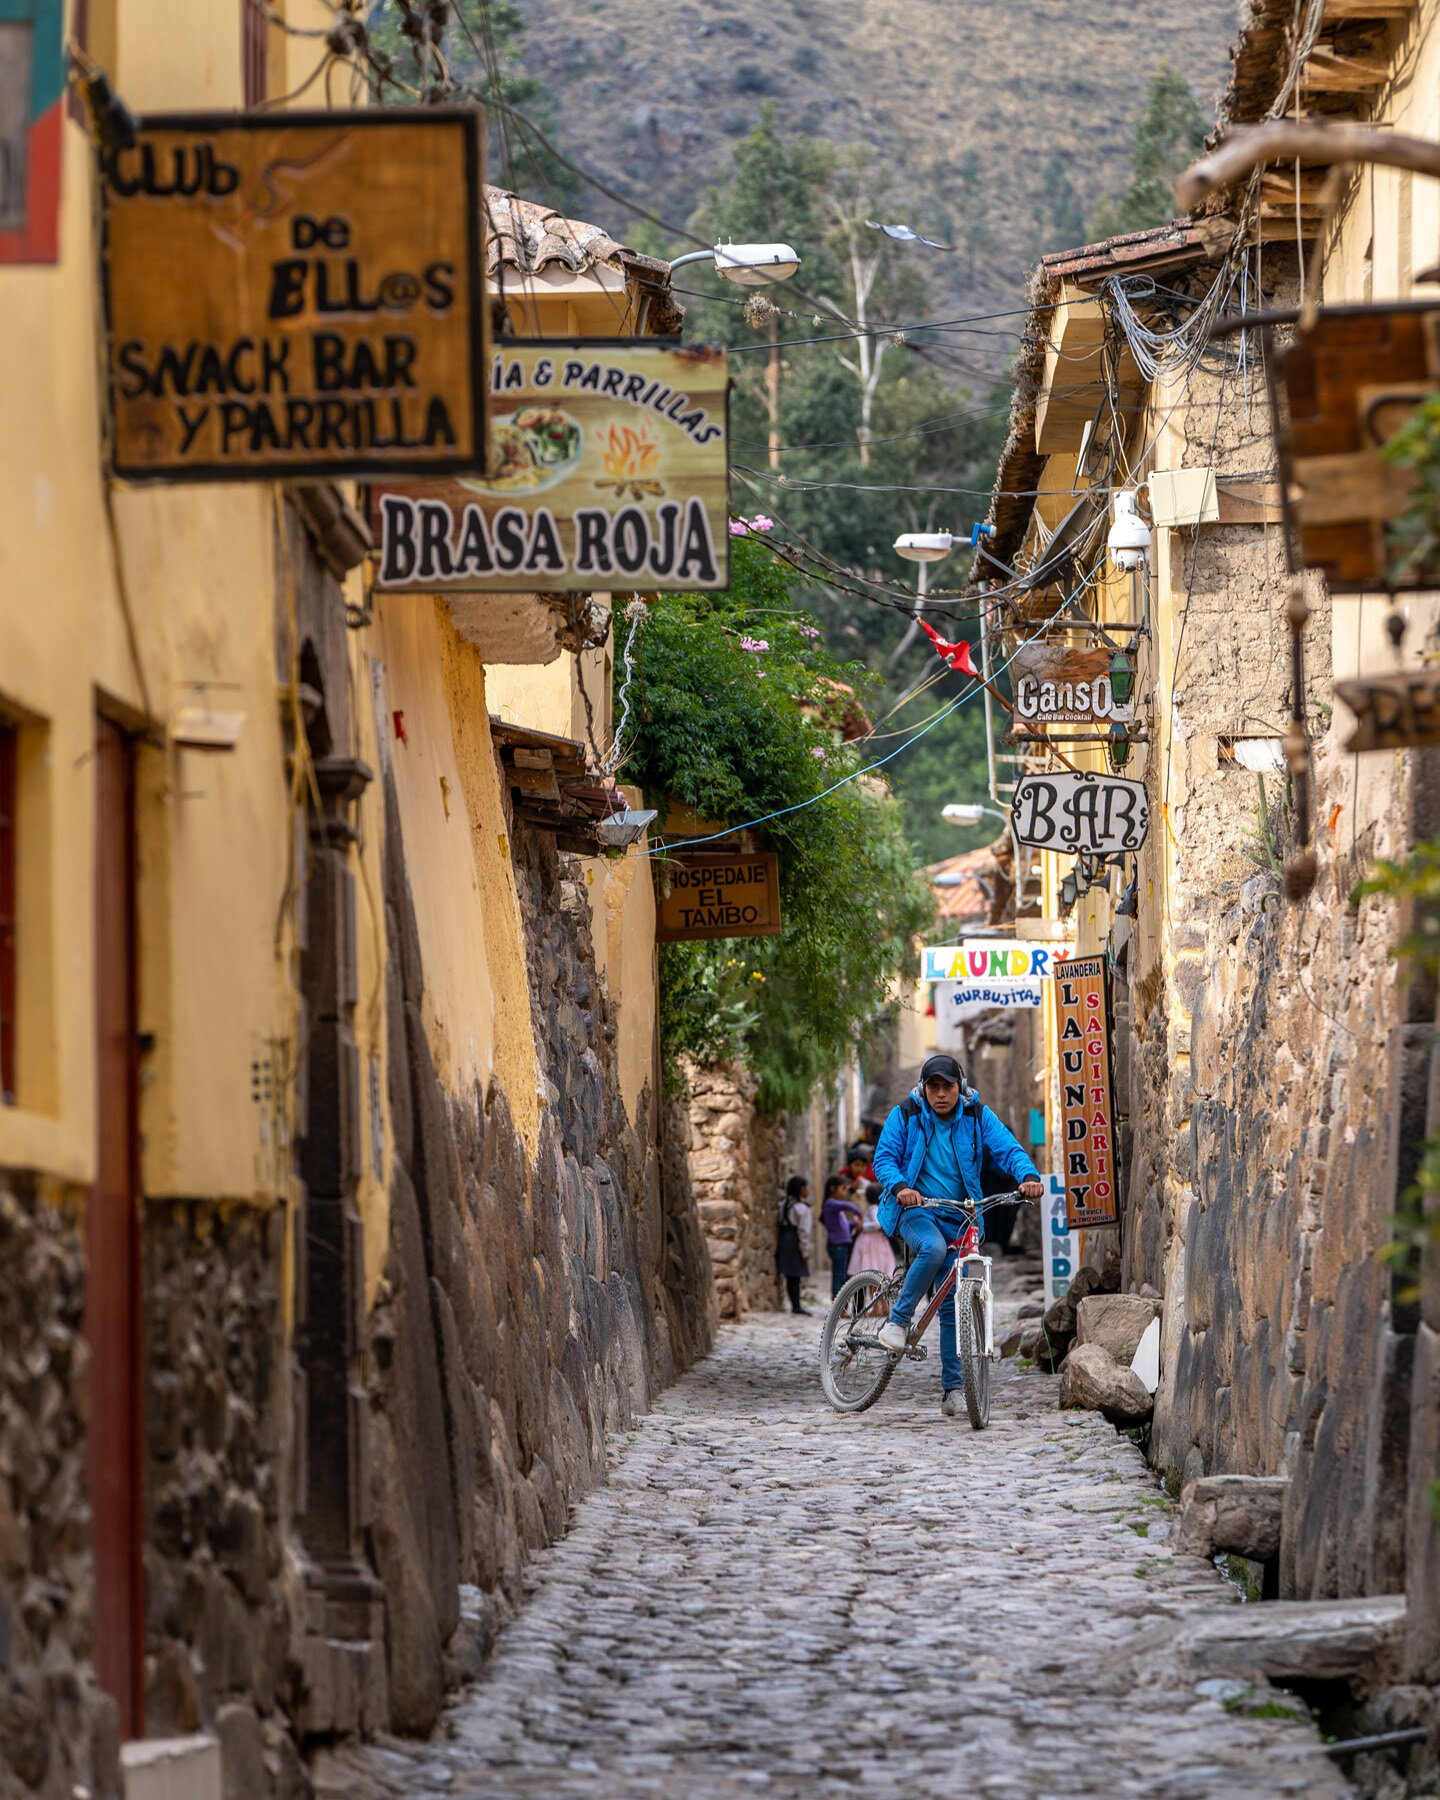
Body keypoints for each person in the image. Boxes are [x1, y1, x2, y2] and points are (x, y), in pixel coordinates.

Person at [872, 1053, 1043, 1416]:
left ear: (960, 1087)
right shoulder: (907, 1114)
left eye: (947, 1086)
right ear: (924, 1089)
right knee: (931, 1249)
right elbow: (884, 1157)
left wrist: (1027, 1176)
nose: (941, 1094)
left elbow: (1007, 1147)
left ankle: (953, 1390)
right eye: (933, 1087)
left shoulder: (978, 1115)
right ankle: (899, 1321)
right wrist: (901, 1185)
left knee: (952, 1300)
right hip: (915, 1210)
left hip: (961, 1216)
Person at [820, 1175, 863, 1296]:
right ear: (833, 1189)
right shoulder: (830, 1204)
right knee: (839, 1275)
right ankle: (838, 1303)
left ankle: (839, 1304)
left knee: (841, 1274)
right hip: (837, 1245)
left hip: (842, 1244)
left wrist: (854, 1224)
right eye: (843, 1188)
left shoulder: (836, 1208)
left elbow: (845, 1226)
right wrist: (858, 1212)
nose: (845, 1192)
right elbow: (848, 1206)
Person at [776, 1176, 811, 1314]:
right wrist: (805, 1251)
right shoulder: (802, 1208)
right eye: (806, 1187)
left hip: (784, 1239)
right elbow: (804, 1232)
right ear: (802, 1189)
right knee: (796, 1274)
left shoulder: (784, 1205)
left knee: (789, 1275)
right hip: (795, 1241)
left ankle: (794, 1303)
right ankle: (797, 1305)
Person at [847, 1181, 896, 1279]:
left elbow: (877, 1224)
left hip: (870, 1242)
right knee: (875, 1268)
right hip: (876, 1241)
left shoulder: (873, 1208)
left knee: (871, 1267)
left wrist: (863, 1227)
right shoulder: (878, 1208)